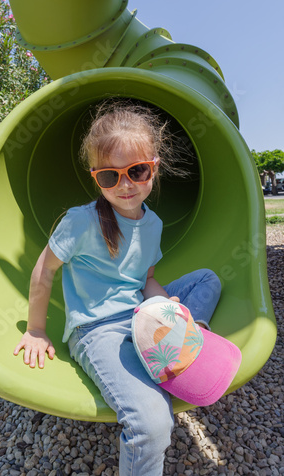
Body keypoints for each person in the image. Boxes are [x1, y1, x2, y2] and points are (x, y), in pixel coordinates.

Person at [14, 100, 222, 476]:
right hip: (99, 330)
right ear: (96, 177)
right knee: (153, 424)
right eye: (110, 176)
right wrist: (36, 330)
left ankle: (188, 335)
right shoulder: (81, 221)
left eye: (136, 171)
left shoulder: (154, 223)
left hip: (140, 314)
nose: (124, 185)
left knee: (207, 278)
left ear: (154, 169)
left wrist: (162, 306)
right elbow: (43, 272)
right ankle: (175, 348)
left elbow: (146, 280)